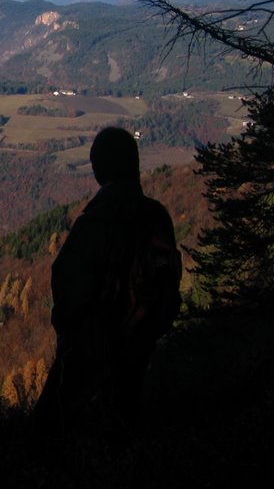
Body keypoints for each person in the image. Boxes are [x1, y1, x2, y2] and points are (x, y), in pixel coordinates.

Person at [34, 126, 182, 441]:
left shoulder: (93, 223)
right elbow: (169, 278)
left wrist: (72, 337)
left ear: (100, 170)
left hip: (93, 345)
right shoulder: (158, 216)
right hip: (142, 340)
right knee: (125, 420)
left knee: (48, 428)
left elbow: (67, 285)